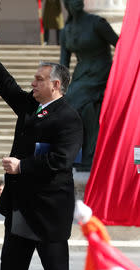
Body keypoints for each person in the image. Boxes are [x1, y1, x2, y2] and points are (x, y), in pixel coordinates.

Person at [0, 24, 83, 270]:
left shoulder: (69, 118)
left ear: (55, 85)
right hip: (19, 209)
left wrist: (21, 166)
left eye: (39, 79)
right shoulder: (30, 105)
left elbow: (61, 160)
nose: (33, 83)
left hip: (49, 213)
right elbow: (8, 88)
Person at [60, 0, 118, 171]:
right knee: (73, 103)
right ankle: (85, 155)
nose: (77, 2)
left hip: (102, 72)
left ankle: (89, 156)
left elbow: (120, 45)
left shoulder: (97, 23)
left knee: (77, 100)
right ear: (67, 4)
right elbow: (64, 62)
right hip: (82, 74)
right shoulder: (67, 30)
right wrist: (59, 88)